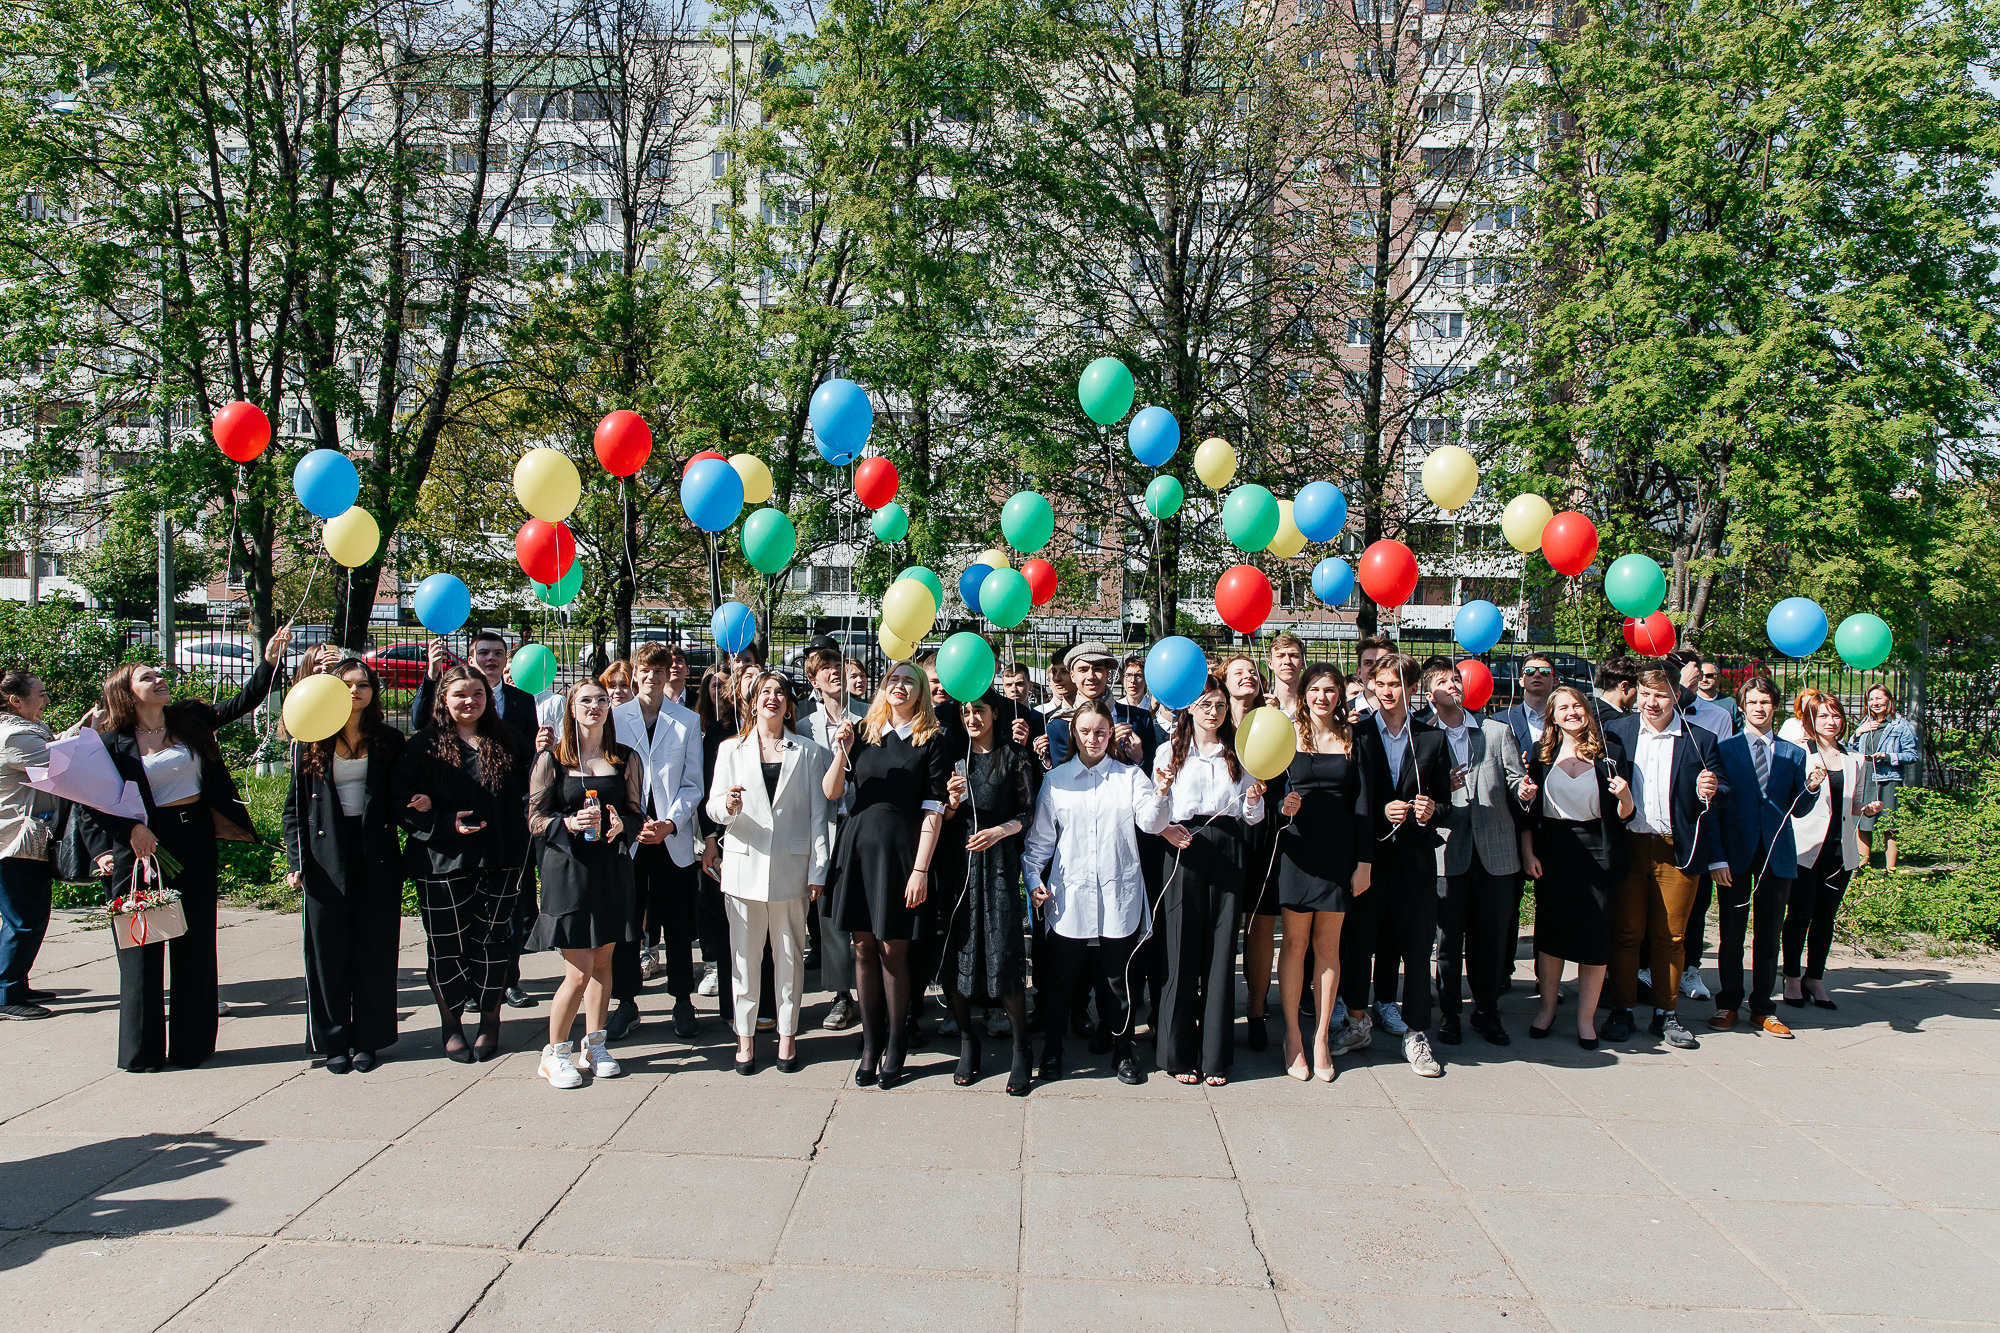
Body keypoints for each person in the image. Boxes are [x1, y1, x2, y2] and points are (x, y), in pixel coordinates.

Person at [83, 627, 292, 1071]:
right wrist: (128, 832)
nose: (160, 679)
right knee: (141, 946)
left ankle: (192, 1047)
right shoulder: (107, 743)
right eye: (147, 678)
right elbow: (87, 800)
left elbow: (242, 704)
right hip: (141, 849)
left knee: (195, 943)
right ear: (126, 694)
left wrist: (270, 662)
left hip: (193, 838)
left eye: (158, 674)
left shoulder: (188, 720)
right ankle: (141, 1053)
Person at [394, 663, 533, 1063]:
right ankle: (451, 1023)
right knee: (446, 946)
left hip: (501, 858)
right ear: (443, 699)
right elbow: (400, 801)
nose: (469, 701)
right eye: (460, 694)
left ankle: (490, 1020)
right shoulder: (422, 745)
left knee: (492, 944)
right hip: (442, 861)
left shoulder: (509, 740)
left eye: (477, 694)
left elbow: (536, 790)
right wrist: (441, 821)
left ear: (488, 698)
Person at [823, 659, 947, 1089]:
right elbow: (832, 791)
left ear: (921, 693)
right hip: (857, 849)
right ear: (883, 686)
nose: (899, 686)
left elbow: (935, 809)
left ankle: (898, 1042)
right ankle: (870, 1044)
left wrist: (920, 869)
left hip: (900, 855)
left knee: (893, 951)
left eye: (908, 681)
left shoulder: (931, 739)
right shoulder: (862, 732)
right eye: (892, 679)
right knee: (861, 949)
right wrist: (841, 748)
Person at [1023, 698, 1157, 1086]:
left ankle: (1123, 1048)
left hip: (1119, 895)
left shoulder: (1130, 777)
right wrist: (1033, 881)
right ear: (1074, 735)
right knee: (1061, 980)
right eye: (1085, 732)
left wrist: (1161, 789)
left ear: (1111, 732)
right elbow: (1038, 845)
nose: (1093, 739)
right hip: (1071, 898)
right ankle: (1052, 1049)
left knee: (1118, 981)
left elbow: (1151, 821)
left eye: (1100, 731)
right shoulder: (1056, 781)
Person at [282, 655, 406, 1072]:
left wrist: (418, 806)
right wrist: (296, 860)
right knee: (328, 951)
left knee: (374, 950)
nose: (356, 691)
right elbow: (293, 811)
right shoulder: (310, 740)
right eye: (347, 684)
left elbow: (400, 795)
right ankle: (333, 1040)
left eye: (364, 684)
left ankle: (369, 1039)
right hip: (324, 856)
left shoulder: (388, 739)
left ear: (374, 693)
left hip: (377, 854)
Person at [1142, 674, 1265, 1086]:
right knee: (1179, 950)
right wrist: (1163, 807)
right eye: (1205, 704)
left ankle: (1214, 1056)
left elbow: (1251, 817)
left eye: (1219, 705)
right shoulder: (1169, 751)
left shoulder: (1239, 752)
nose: (1213, 712)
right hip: (1183, 847)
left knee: (1220, 950)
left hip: (1227, 850)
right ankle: (1177, 1055)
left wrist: (1253, 801)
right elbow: (1151, 819)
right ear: (1190, 707)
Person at [708, 671, 831, 1075]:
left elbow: (819, 814)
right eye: (765, 691)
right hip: (743, 867)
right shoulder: (731, 750)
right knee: (744, 959)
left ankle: (788, 1037)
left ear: (789, 703)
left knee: (790, 958)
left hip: (791, 870)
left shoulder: (808, 752)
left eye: (780, 692)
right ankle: (744, 1040)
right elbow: (712, 809)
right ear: (752, 701)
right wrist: (727, 804)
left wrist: (818, 867)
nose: (773, 698)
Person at [1601, 666, 1728, 1049]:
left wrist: (1712, 787)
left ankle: (1666, 1013)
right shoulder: (1617, 734)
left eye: (1660, 695)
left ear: (1676, 697)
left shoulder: (1699, 738)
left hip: (1677, 849)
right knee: (1625, 934)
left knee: (1671, 936)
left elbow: (1723, 790)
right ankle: (1621, 1009)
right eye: (1644, 693)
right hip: (1630, 846)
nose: (1651, 702)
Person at [526, 680, 643, 1089]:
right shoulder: (552, 760)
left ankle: (594, 1044)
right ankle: (554, 1052)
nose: (595, 706)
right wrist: (569, 822)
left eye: (601, 700)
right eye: (585, 701)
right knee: (577, 970)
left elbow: (636, 811)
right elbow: (535, 819)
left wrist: (621, 826)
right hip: (569, 871)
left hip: (610, 870)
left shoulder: (625, 757)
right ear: (571, 709)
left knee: (603, 964)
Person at [1345, 652, 1453, 1076]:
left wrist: (1430, 811)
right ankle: (1355, 1022)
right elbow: (1350, 799)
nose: (1389, 693)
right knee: (1360, 944)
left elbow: (1446, 805)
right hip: (1369, 860)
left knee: (1414, 946)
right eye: (1382, 684)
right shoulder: (1360, 734)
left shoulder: (1431, 738)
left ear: (1413, 689)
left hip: (1414, 862)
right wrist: (1378, 815)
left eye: (1398, 685)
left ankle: (1417, 1034)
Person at [1516, 686, 1633, 1048]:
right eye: (1563, 707)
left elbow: (1626, 816)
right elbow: (1530, 812)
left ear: (1587, 710)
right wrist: (1528, 852)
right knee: (1551, 938)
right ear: (1552, 716)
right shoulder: (1542, 754)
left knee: (1594, 940)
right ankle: (1547, 1010)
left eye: (1577, 706)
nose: (1571, 712)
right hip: (1553, 851)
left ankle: (1585, 1020)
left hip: (1597, 851)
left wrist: (1625, 796)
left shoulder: (1610, 753)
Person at [936, 691, 1039, 1093]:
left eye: (979, 710)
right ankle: (967, 1040)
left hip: (997, 867)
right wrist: (951, 801)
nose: (972, 717)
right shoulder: (955, 758)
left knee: (1004, 952)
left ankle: (1020, 1047)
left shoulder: (1014, 756)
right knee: (958, 954)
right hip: (960, 868)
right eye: (965, 711)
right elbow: (941, 816)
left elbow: (1028, 812)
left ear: (995, 713)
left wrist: (1001, 831)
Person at [1274, 663, 1370, 1081]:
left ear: (1340, 695)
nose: (1322, 697)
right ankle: (1293, 1035)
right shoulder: (1285, 734)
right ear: (1304, 691)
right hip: (1298, 850)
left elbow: (1364, 804)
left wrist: (1363, 861)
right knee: (1295, 944)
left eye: (1331, 690)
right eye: (1315, 689)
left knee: (1328, 947)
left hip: (1339, 853)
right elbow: (1267, 786)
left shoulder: (1354, 738)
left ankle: (1321, 1039)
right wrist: (1283, 805)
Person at [1708, 675, 1815, 1036]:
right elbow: (1716, 808)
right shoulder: (1724, 749)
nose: (1759, 708)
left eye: (1765, 702)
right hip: (1735, 854)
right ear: (1742, 706)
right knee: (1731, 934)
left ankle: (1764, 1008)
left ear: (1775, 706)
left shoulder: (1793, 753)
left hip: (1776, 854)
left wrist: (1811, 788)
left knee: (1769, 936)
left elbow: (1798, 809)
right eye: (1752, 702)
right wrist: (1717, 857)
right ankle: (1728, 1004)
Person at [1427, 661, 1528, 1047]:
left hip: (1495, 850)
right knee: (1448, 940)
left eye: (1456, 679)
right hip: (1448, 850)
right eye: (1443, 681)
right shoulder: (1425, 734)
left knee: (1490, 938)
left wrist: (1524, 792)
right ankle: (1450, 1013)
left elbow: (1516, 778)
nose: (1453, 685)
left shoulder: (1497, 731)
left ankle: (1487, 1010)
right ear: (1429, 693)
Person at [608, 642, 704, 1040]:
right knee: (628, 923)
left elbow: (693, 783)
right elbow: (609, 777)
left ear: (669, 676)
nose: (652, 678)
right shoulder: (614, 718)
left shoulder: (686, 721)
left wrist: (669, 822)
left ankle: (682, 1000)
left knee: (678, 924)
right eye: (645, 671)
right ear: (635, 674)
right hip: (628, 839)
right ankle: (626, 1002)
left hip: (670, 838)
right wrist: (631, 825)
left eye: (660, 672)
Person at [1782, 693, 1880, 1010]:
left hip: (1840, 853)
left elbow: (1850, 807)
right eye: (1823, 716)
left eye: (1835, 716)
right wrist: (1810, 785)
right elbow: (1791, 802)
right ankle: (1793, 976)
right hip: (1806, 849)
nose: (1830, 722)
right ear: (1811, 720)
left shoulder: (1854, 759)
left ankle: (1816, 977)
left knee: (1826, 918)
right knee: (1799, 914)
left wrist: (1866, 811)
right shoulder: (1800, 753)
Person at [800, 645, 865, 1032]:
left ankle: (875, 988)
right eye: (824, 669)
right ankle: (842, 995)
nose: (834, 673)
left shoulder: (870, 717)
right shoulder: (804, 726)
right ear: (814, 681)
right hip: (824, 827)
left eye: (838, 666)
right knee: (829, 916)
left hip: (860, 824)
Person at [1219, 651, 1279, 1049]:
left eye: (1253, 671)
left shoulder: (1272, 721)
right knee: (1224, 927)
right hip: (1224, 834)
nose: (1248, 677)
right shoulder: (1214, 724)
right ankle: (1219, 1009)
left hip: (1263, 831)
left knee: (1259, 927)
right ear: (1223, 683)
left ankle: (1257, 1011)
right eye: (1238, 672)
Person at [0, 670, 69, 1020]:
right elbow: (61, 766)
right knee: (22, 918)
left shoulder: (24, 730)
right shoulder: (15, 735)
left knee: (30, 915)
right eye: (39, 694)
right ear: (16, 700)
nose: (45, 700)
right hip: (14, 842)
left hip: (26, 838)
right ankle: (5, 994)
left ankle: (15, 983)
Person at [1850, 685, 1919, 870]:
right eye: (1871, 699)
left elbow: (1912, 755)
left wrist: (1887, 757)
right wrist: (1858, 733)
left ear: (1889, 699)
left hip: (1889, 780)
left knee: (1890, 825)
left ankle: (1891, 870)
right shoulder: (1866, 722)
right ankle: (1862, 867)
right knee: (1864, 822)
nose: (1875, 703)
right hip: (1866, 778)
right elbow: (1850, 749)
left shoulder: (1901, 725)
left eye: (1879, 698)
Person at [1494, 654, 1557, 756]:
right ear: (1521, 681)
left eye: (1544, 671)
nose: (1537, 675)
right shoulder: (1503, 719)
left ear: (1555, 681)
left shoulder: (1564, 718)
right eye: (1529, 671)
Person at [1348, 635, 1393, 720]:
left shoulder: (1405, 715)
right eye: (1368, 663)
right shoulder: (1342, 713)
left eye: (1382, 663)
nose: (1374, 670)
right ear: (1359, 672)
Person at [1265, 633, 1306, 717]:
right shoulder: (1261, 705)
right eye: (1280, 656)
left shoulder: (1313, 705)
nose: (1287, 661)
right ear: (1270, 663)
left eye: (1294, 656)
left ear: (1303, 663)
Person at [1696, 660, 1740, 729]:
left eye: (1709, 676)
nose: (1704, 679)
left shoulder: (1730, 704)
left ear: (1718, 678)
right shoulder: (1689, 701)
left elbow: (1738, 732)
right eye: (1700, 675)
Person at [1593, 657, 1637, 724]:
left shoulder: (1593, 707)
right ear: (1624, 686)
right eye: (1638, 689)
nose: (1638, 696)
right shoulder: (1606, 716)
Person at [1036, 647, 1076, 718]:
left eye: (1064, 671)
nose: (1057, 678)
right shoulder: (1046, 720)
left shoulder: (1098, 716)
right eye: (1054, 672)